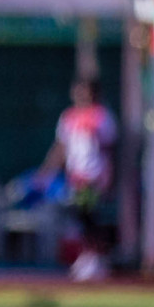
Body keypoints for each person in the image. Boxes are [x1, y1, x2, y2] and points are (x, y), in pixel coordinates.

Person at [36, 78, 118, 281]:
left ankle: (96, 257)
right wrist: (47, 170)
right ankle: (88, 255)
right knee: (79, 216)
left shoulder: (101, 117)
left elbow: (109, 149)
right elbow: (61, 147)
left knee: (89, 215)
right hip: (75, 176)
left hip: (94, 175)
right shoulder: (69, 117)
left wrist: (108, 176)